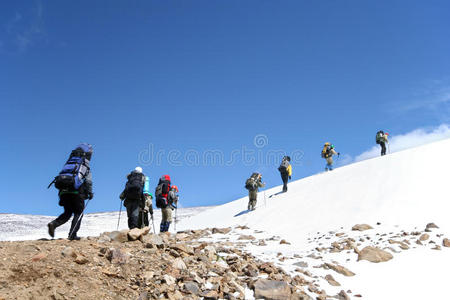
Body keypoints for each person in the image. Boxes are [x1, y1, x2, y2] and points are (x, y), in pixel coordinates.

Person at [47, 143, 93, 240]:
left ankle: (54, 224)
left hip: (63, 191)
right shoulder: (84, 165)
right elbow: (88, 181)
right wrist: (90, 192)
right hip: (76, 192)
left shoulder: (68, 163)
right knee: (79, 212)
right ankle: (72, 234)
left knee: (67, 212)